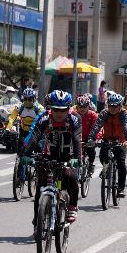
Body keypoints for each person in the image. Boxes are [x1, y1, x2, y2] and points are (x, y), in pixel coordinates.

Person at [22, 90, 81, 234]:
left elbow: (77, 139)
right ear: (51, 108)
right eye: (55, 109)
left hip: (69, 156)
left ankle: (72, 207)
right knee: (40, 190)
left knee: (72, 179)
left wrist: (77, 159)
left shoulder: (74, 119)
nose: (58, 113)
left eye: (63, 110)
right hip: (48, 156)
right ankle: (38, 221)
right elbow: (35, 136)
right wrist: (27, 154)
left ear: (68, 108)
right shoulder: (45, 118)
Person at [88, 93, 127, 197]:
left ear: (120, 106)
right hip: (107, 139)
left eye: (115, 106)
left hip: (121, 140)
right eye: (110, 105)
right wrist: (91, 138)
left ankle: (121, 188)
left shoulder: (123, 113)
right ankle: (106, 169)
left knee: (121, 163)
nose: (112, 108)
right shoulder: (104, 113)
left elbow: (126, 126)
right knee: (103, 156)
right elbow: (97, 126)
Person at [7, 88, 45, 156]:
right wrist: (8, 127)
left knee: (38, 151)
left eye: (30, 99)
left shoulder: (39, 108)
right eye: (25, 99)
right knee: (20, 152)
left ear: (34, 99)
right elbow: (12, 117)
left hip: (35, 132)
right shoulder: (19, 107)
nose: (27, 101)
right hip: (23, 130)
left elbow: (45, 120)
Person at [75, 95, 98, 175]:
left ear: (88, 106)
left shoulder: (93, 115)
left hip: (89, 137)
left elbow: (96, 128)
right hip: (77, 137)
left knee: (91, 151)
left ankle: (91, 165)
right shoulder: (73, 114)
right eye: (80, 106)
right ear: (77, 106)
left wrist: (94, 139)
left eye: (85, 106)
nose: (82, 109)